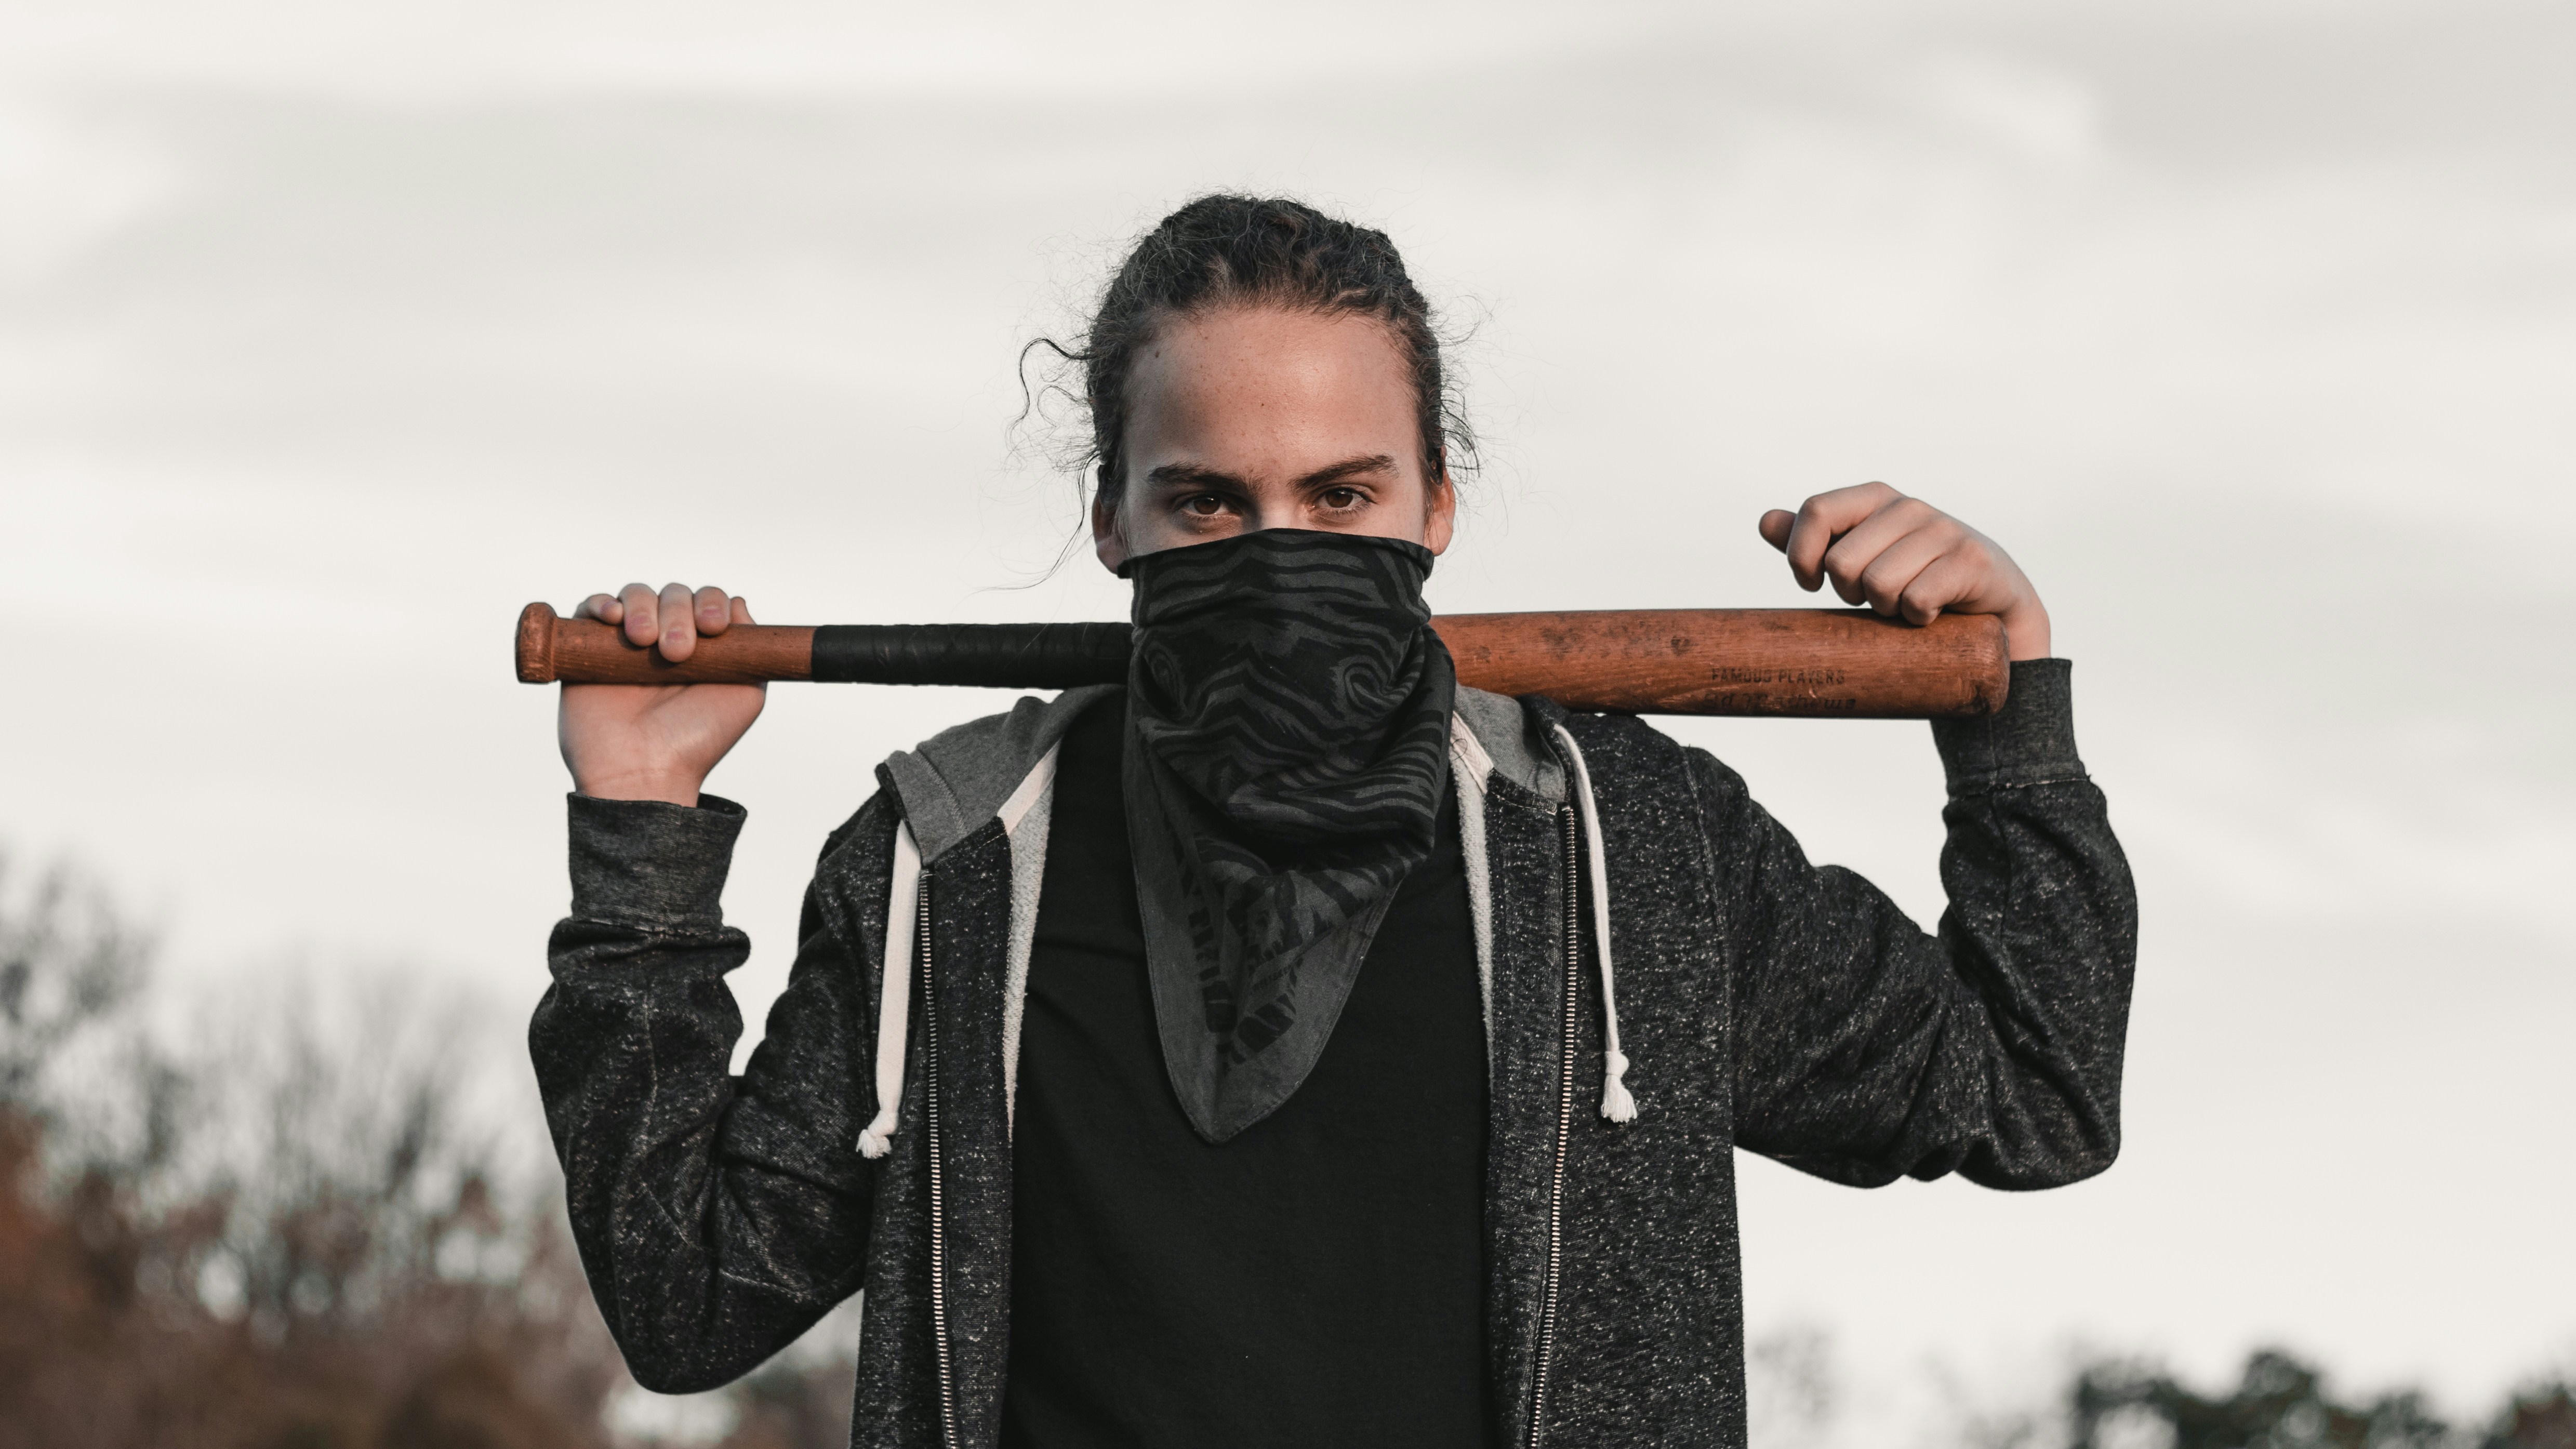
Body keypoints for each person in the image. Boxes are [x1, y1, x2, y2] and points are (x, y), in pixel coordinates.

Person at [530, 195, 2136, 1449]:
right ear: (1115, 519)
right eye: (1211, 503)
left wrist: (2009, 722)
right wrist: (641, 838)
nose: (1277, 547)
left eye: (1342, 498)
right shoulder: (950, 857)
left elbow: (2030, 1094)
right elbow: (692, 1300)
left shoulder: (1628, 840)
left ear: (1440, 506)